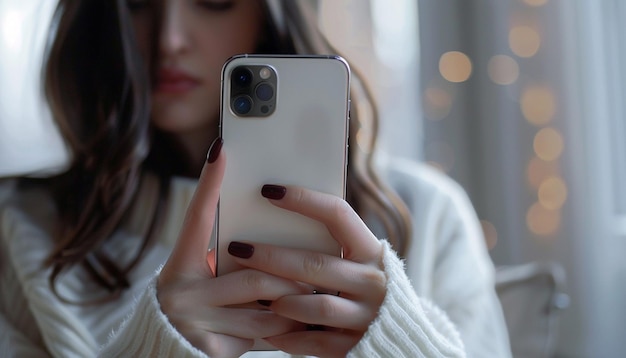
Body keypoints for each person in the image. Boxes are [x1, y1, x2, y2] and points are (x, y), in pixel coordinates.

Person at [0, 0, 511, 357]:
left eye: (215, 1)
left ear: (268, 13)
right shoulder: (20, 228)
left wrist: (400, 345)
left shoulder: (428, 213)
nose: (170, 39)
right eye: (136, 2)